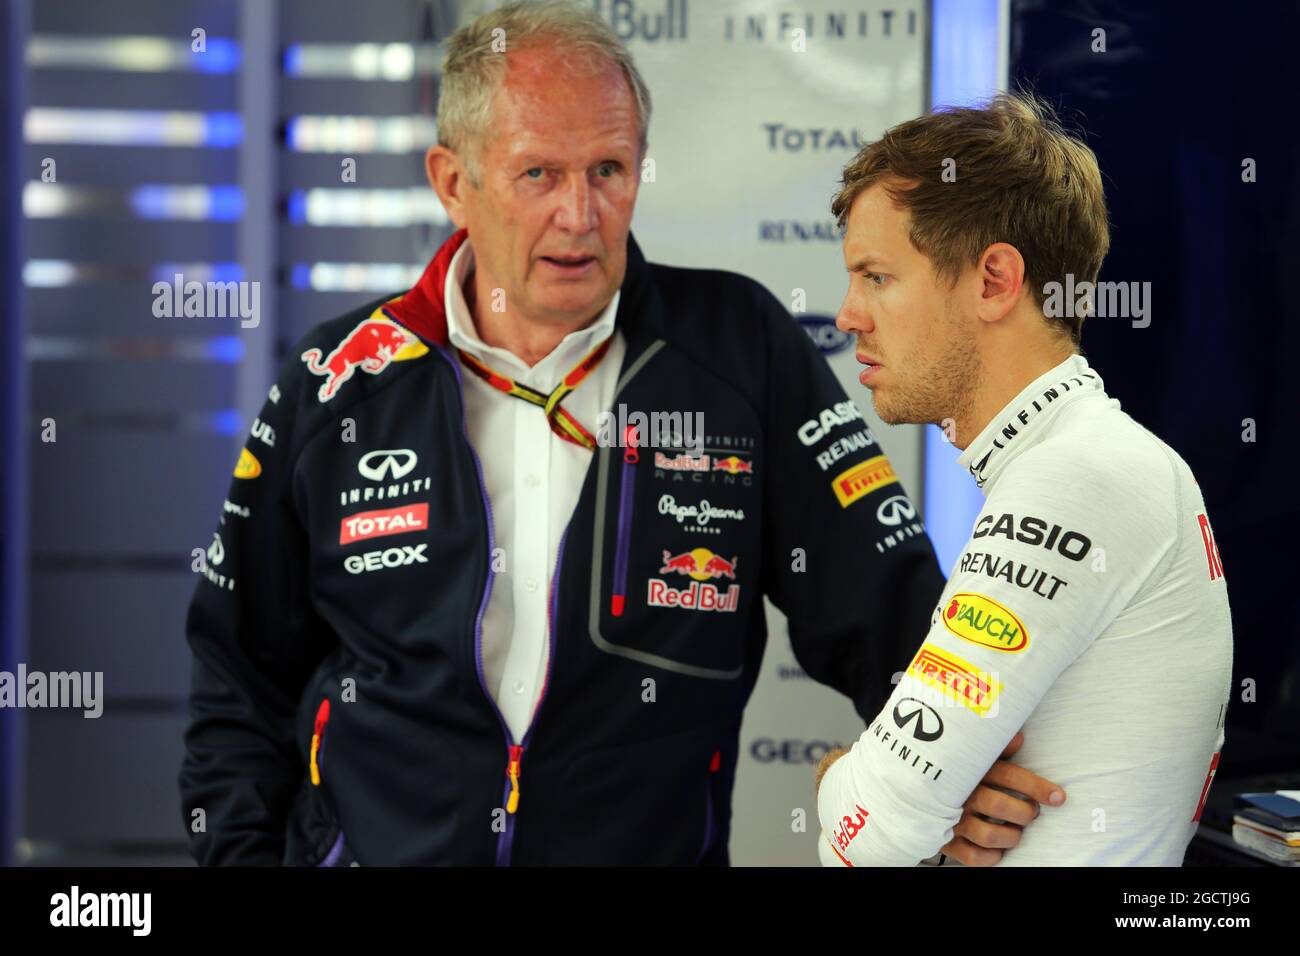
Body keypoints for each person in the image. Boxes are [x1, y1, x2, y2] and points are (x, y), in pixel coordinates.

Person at [179, 0, 1057, 866]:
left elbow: (882, 605)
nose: (579, 213)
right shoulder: (337, 380)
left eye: (609, 169)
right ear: (454, 183)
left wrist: (952, 761)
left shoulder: (737, 348)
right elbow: (238, 682)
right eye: (539, 175)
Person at [815, 91, 1233, 866]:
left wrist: (844, 777)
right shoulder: (1087, 459)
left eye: (876, 276)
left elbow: (868, 838)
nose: (847, 315)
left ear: (994, 281)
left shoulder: (1077, 476)